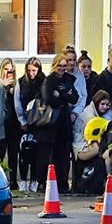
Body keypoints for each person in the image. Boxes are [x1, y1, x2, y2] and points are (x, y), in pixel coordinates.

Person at [32, 54, 79, 193]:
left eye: (65, 66)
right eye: (60, 66)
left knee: (62, 155)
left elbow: (74, 98)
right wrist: (64, 97)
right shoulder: (49, 80)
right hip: (49, 123)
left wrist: (61, 95)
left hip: (63, 123)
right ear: (54, 65)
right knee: (44, 155)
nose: (62, 69)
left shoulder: (69, 79)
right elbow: (49, 98)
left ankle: (61, 183)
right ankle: (42, 183)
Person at [72, 90, 112, 194]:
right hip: (82, 148)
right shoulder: (88, 116)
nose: (105, 107)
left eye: (107, 105)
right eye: (102, 104)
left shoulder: (102, 116)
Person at [0, 58, 21, 190]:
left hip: (14, 123)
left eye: (11, 71)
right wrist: (2, 86)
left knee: (13, 153)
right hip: (1, 123)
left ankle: (13, 180)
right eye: (6, 70)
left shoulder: (16, 85)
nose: (8, 73)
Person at [62, 46, 87, 119]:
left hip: (77, 112)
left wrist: (75, 112)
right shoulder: (59, 75)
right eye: (69, 60)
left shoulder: (79, 75)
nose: (72, 63)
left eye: (74, 60)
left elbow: (83, 96)